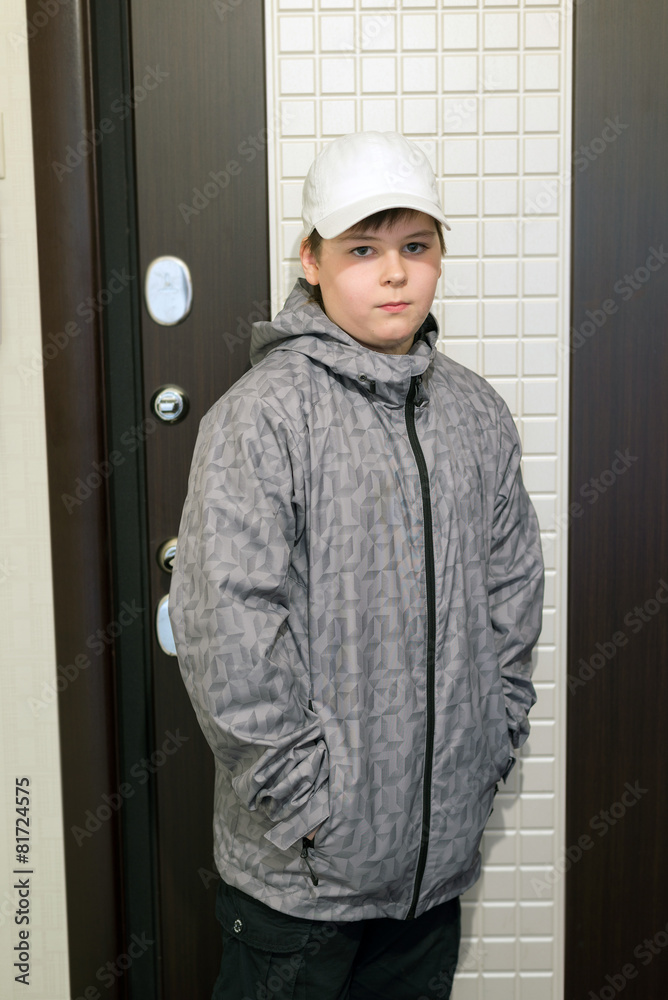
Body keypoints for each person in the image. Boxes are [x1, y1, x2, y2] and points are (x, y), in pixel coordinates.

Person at [169, 131, 544, 1000]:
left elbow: (512, 595)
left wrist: (492, 740)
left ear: (441, 257)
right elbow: (227, 627)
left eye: (415, 246)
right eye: (363, 249)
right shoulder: (262, 418)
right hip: (302, 886)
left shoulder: (476, 416)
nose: (394, 273)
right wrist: (306, 807)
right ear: (311, 260)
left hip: (431, 872)